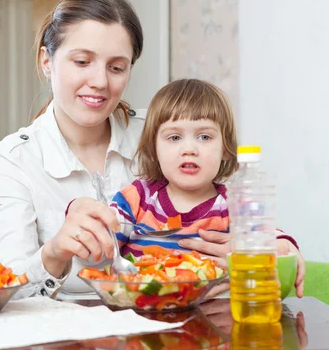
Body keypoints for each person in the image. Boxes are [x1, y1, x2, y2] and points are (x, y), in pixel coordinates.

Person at [0, 0, 145, 299]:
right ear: (47, 60)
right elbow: (7, 293)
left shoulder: (160, 135)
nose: (100, 81)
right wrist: (55, 252)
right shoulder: (13, 158)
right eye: (82, 61)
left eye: (116, 67)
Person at [111, 78, 304, 297]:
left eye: (204, 137)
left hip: (216, 319)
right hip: (143, 315)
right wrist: (89, 221)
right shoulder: (138, 197)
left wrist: (285, 245)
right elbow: (101, 235)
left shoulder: (235, 203)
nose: (189, 149)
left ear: (225, 149)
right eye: (174, 137)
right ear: (154, 149)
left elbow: (267, 236)